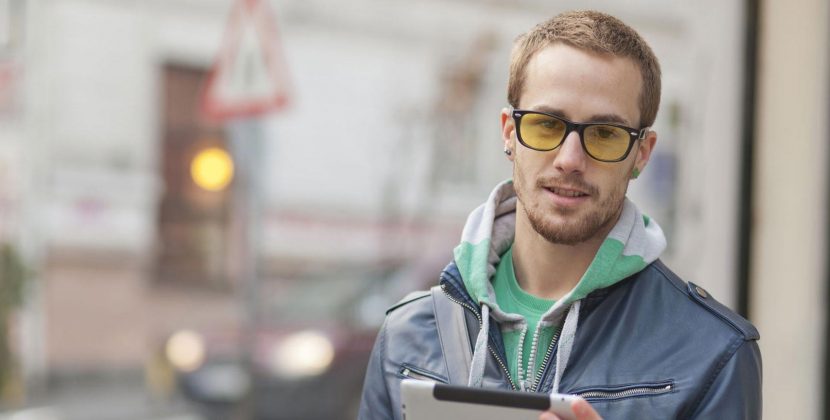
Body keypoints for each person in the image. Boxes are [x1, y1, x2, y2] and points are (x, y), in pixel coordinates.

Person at [358, 10, 761, 420]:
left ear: (642, 153)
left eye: (605, 134)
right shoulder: (408, 336)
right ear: (509, 133)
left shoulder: (710, 354)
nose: (570, 159)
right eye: (547, 125)